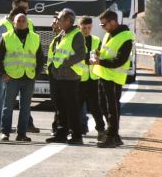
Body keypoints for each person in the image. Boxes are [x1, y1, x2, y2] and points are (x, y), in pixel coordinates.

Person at [0, 0, 40, 134]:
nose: (26, 10)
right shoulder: (5, 24)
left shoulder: (28, 21)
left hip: (21, 67)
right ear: (15, 8)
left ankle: (27, 124)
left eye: (27, 8)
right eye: (23, 8)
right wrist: (3, 71)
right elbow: (0, 51)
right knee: (0, 93)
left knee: (24, 101)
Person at [0, 13, 45, 141]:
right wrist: (2, 73)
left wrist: (36, 74)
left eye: (23, 20)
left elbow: (40, 58)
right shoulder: (7, 37)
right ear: (14, 23)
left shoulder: (35, 38)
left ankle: (21, 134)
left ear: (27, 23)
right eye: (19, 21)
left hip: (28, 77)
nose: (21, 22)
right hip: (12, 77)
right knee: (8, 105)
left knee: (25, 107)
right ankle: (5, 132)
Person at [91, 9, 134, 148]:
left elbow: (119, 60)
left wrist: (100, 62)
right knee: (104, 106)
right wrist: (99, 54)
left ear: (114, 22)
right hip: (103, 75)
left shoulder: (126, 37)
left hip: (114, 78)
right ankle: (115, 135)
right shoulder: (109, 34)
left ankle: (111, 137)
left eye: (104, 25)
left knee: (112, 109)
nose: (103, 27)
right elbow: (108, 52)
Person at [45, 8, 87, 145]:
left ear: (69, 21)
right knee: (60, 107)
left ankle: (76, 135)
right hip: (59, 76)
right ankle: (61, 134)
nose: (58, 21)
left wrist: (64, 63)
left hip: (70, 76)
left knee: (72, 107)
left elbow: (81, 54)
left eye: (60, 19)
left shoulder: (76, 35)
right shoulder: (62, 34)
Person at [78, 16, 106, 141]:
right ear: (79, 27)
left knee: (96, 107)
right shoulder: (76, 40)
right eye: (84, 28)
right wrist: (88, 60)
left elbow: (98, 55)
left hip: (93, 79)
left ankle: (101, 130)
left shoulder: (96, 40)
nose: (86, 30)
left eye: (89, 28)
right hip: (79, 79)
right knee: (77, 106)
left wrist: (94, 60)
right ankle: (76, 131)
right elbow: (77, 57)